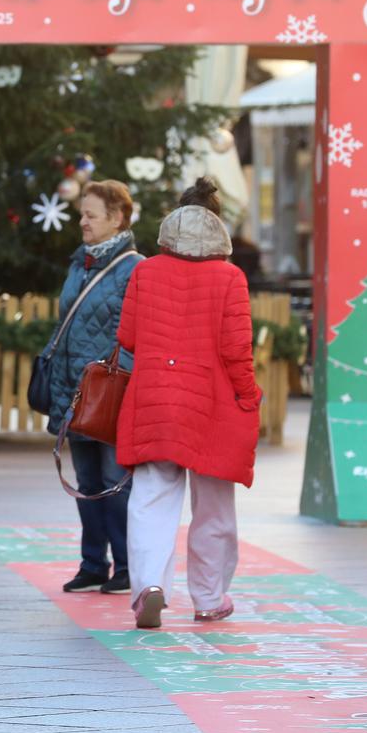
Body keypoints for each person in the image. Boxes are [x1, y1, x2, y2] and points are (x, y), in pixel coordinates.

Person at [117, 178, 260, 630]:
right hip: (212, 403)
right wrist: (248, 397)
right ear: (218, 226)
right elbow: (237, 350)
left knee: (151, 498)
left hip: (156, 397)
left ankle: (148, 588)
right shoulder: (230, 277)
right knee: (214, 505)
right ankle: (210, 597)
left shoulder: (145, 271)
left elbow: (128, 338)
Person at [47, 180, 142, 596]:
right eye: (81, 213)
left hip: (113, 391)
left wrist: (118, 375)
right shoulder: (79, 263)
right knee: (86, 482)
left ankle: (125, 565)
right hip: (76, 389)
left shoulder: (134, 267)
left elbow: (138, 332)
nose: (82, 221)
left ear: (117, 218)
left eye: (91, 215)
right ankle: (92, 563)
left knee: (114, 480)